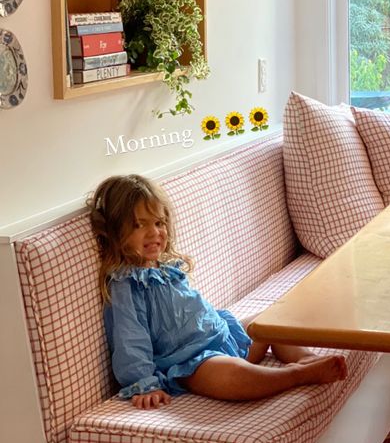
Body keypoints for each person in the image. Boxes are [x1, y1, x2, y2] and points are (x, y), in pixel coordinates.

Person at [88, 174, 347, 409]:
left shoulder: (167, 267)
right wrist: (144, 382)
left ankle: (306, 359)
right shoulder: (126, 285)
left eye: (159, 222)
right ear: (115, 232)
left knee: (269, 320)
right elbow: (130, 338)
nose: (154, 232)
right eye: (139, 225)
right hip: (192, 363)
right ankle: (296, 375)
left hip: (223, 335)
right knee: (234, 373)